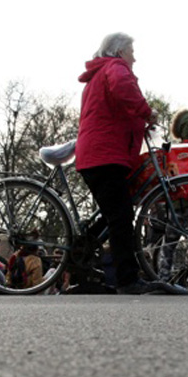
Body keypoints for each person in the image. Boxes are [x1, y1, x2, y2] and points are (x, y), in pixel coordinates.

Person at [74, 32, 161, 295]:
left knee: (114, 213)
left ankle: (80, 252)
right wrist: (147, 112)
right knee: (121, 217)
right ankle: (127, 280)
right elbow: (124, 89)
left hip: (99, 153)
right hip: (105, 155)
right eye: (132, 52)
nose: (134, 58)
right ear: (120, 51)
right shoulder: (115, 67)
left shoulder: (98, 74)